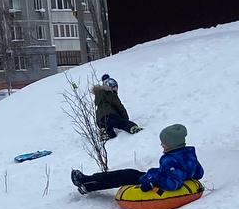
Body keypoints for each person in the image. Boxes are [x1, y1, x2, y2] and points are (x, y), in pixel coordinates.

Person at [70, 123, 202, 195]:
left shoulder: (170, 160)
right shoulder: (188, 154)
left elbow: (173, 183)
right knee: (129, 172)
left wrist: (152, 181)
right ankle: (87, 183)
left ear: (172, 144)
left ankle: (85, 183)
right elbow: (199, 173)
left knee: (123, 175)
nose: (161, 145)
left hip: (150, 180)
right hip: (153, 175)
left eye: (164, 143)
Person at [94, 74, 141, 140]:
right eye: (115, 87)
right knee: (120, 123)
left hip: (99, 120)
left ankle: (106, 133)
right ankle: (132, 128)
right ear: (110, 88)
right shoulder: (111, 94)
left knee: (110, 133)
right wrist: (125, 119)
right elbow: (119, 106)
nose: (116, 90)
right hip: (110, 116)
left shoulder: (100, 96)